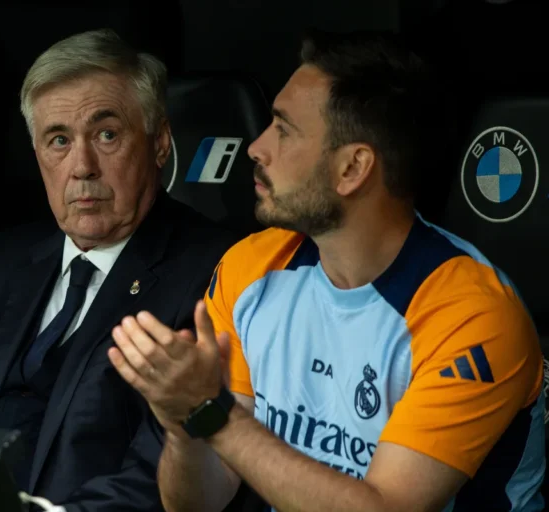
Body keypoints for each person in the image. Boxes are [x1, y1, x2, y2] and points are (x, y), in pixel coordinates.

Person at [108, 29, 546, 512]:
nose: (256, 147)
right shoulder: (249, 267)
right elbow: (197, 503)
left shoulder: (474, 315)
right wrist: (183, 427)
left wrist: (211, 414)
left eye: (283, 129)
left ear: (352, 168)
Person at [0, 28, 237, 511]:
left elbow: (169, 473)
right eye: (58, 140)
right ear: (37, 155)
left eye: (107, 134)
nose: (82, 167)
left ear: (159, 145)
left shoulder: (216, 272)